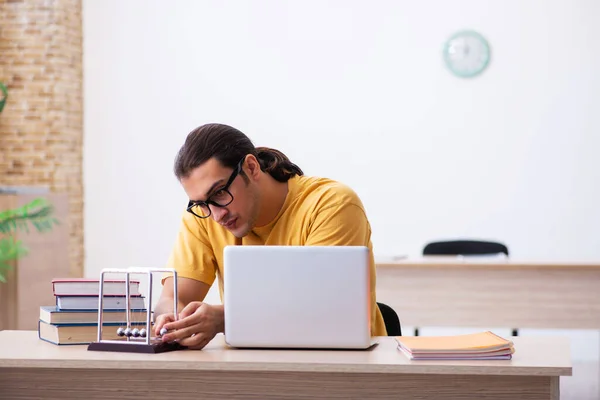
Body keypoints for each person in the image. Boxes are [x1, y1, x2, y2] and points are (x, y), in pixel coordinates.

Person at [153, 123, 387, 349]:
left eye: (220, 193)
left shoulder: (332, 205)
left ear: (251, 168)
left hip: (347, 368)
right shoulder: (203, 216)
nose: (216, 215)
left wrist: (225, 318)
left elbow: (321, 310)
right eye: (201, 203)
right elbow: (171, 299)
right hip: (257, 369)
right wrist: (171, 319)